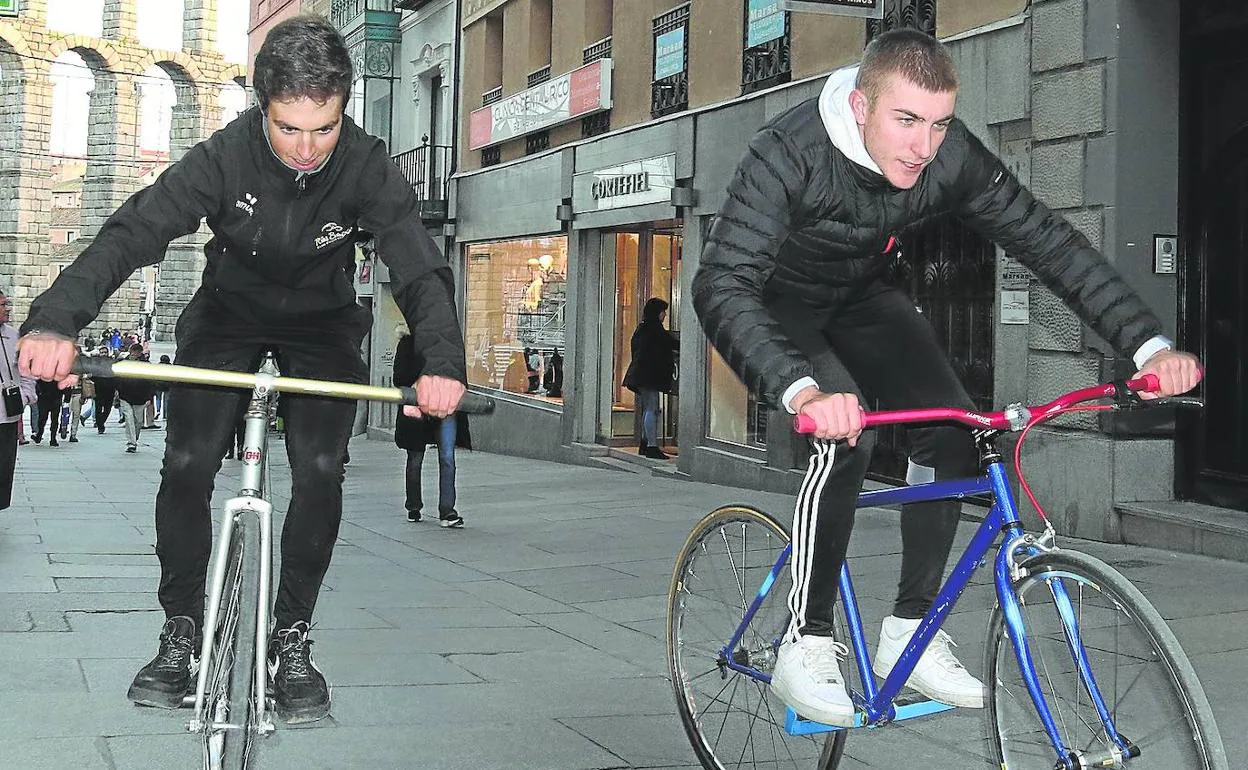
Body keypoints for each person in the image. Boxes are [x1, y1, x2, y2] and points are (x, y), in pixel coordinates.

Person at [691, 28, 1202, 727]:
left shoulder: (949, 156)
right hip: (775, 305)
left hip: (865, 295)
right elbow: (722, 285)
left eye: (937, 123)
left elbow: (1047, 240)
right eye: (906, 120)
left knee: (956, 432)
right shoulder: (788, 155)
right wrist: (801, 389)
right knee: (848, 441)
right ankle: (804, 639)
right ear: (862, 105)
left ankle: (912, 629)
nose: (923, 146)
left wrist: (1146, 344)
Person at [17, 15, 467, 724]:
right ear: (263, 108)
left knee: (320, 468)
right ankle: (180, 633)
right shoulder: (223, 157)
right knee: (189, 461)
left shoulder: (367, 165)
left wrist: (441, 363)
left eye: (324, 130)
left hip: (322, 324)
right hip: (227, 313)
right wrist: (55, 319)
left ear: (342, 108)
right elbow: (135, 231)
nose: (307, 150)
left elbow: (416, 265)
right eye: (289, 129)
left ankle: (291, 639)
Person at [393, 330, 470, 528]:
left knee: (447, 457)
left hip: (445, 406)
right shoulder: (408, 343)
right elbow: (399, 377)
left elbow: (459, 372)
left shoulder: (448, 342)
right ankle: (414, 506)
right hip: (418, 406)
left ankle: (447, 511)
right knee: (415, 458)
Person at [623, 297, 678, 460]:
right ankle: (652, 446)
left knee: (648, 408)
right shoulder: (655, 330)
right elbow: (670, 344)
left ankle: (645, 443)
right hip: (648, 376)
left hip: (641, 375)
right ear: (657, 313)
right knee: (652, 408)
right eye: (663, 312)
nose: (665, 315)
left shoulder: (643, 329)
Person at [1, 289, 36, 511]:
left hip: (7, 414)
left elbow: (27, 372)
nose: (7, 309)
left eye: (6, 304)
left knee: (3, 467)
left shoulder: (14, 336)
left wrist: (24, 396)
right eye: (3, 305)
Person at [116, 343, 156, 453]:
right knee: (129, 419)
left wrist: (149, 397)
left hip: (140, 397)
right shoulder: (123, 363)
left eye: (136, 352)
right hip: (125, 395)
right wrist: (117, 390)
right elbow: (117, 378)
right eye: (132, 352)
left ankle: (134, 437)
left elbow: (151, 382)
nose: (134, 354)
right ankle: (131, 443)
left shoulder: (146, 364)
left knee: (138, 421)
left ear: (140, 353)